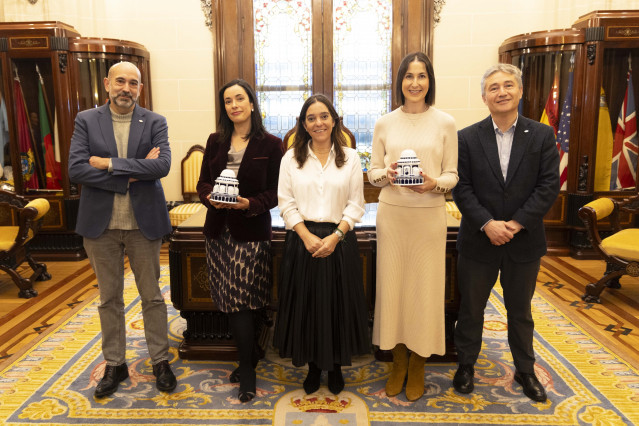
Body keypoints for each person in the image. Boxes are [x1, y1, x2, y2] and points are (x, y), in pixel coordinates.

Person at [451, 63, 560, 402]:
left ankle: (525, 370)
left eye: (508, 85)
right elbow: (461, 188)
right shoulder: (467, 138)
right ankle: (466, 365)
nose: (502, 92)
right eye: (494, 87)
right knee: (471, 309)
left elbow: (548, 186)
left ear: (520, 91)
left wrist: (515, 224)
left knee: (520, 311)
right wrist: (488, 223)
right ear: (484, 97)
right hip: (478, 240)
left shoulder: (541, 135)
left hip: (523, 240)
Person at [68, 61, 176, 398]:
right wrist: (130, 175)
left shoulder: (155, 121)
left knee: (152, 297)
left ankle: (160, 360)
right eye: (120, 81)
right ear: (107, 84)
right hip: (100, 226)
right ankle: (115, 363)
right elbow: (76, 169)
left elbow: (162, 165)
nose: (126, 88)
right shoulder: (86, 120)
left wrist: (109, 164)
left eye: (133, 83)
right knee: (109, 299)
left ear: (140, 88)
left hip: (143, 224)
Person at [367, 52, 458, 401]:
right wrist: (385, 176)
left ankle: (419, 361)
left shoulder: (445, 123)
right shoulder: (384, 123)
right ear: (400, 81)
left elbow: (453, 175)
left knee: (424, 289)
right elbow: (373, 172)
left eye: (422, 76)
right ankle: (398, 360)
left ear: (429, 81)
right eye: (409, 76)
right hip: (393, 216)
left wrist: (434, 183)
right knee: (393, 289)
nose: (415, 83)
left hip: (429, 216)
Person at [274, 94, 370, 396]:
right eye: (311, 118)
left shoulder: (352, 157)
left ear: (334, 120)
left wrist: (336, 236)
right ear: (303, 124)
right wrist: (305, 235)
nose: (319, 123)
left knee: (338, 306)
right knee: (308, 307)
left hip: (339, 240)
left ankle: (337, 366)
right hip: (302, 240)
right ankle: (314, 366)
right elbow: (285, 203)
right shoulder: (290, 158)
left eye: (324, 116)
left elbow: (357, 204)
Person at [196, 79, 283, 403]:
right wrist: (210, 199)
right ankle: (251, 356)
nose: (234, 105)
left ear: (251, 103)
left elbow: (277, 192)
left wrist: (250, 204)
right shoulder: (215, 140)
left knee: (244, 302)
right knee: (233, 302)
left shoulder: (271, 144)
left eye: (239, 99)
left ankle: (246, 369)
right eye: (228, 101)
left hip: (251, 233)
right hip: (218, 232)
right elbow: (203, 183)